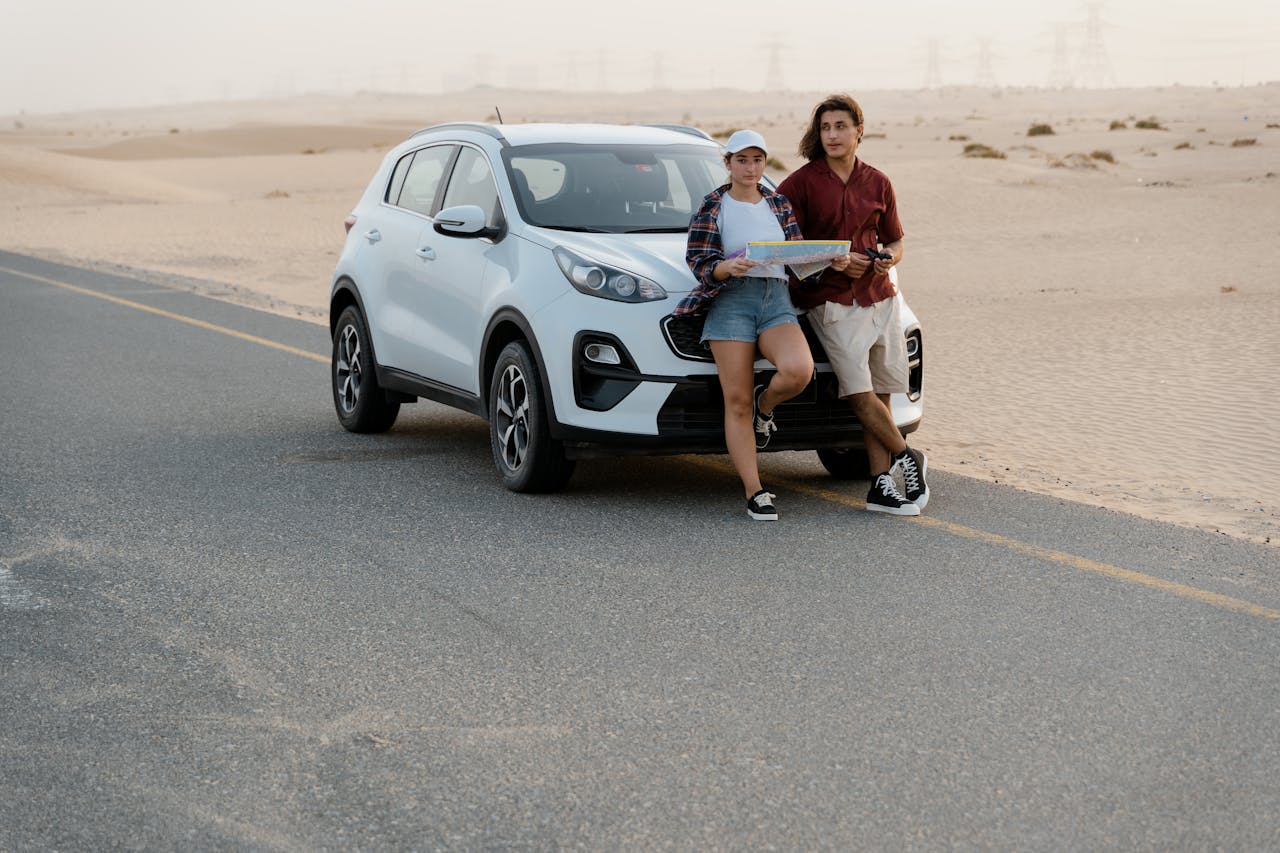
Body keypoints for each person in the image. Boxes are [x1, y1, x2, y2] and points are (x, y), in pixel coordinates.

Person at [678, 129, 848, 521]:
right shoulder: (713, 206)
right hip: (731, 301)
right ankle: (755, 491)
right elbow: (700, 262)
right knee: (734, 400)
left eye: (757, 160)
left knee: (798, 370)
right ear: (728, 164)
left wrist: (826, 260)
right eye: (742, 160)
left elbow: (797, 260)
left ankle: (765, 405)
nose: (750, 168)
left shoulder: (777, 202)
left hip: (775, 299)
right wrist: (725, 267)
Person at [777, 95, 930, 516]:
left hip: (881, 297)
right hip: (830, 301)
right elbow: (783, 245)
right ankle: (907, 457)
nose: (832, 135)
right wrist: (832, 257)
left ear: (859, 130)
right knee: (859, 392)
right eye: (825, 128)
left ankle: (881, 486)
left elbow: (896, 241)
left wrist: (886, 260)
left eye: (841, 126)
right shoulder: (800, 183)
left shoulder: (879, 182)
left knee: (883, 393)